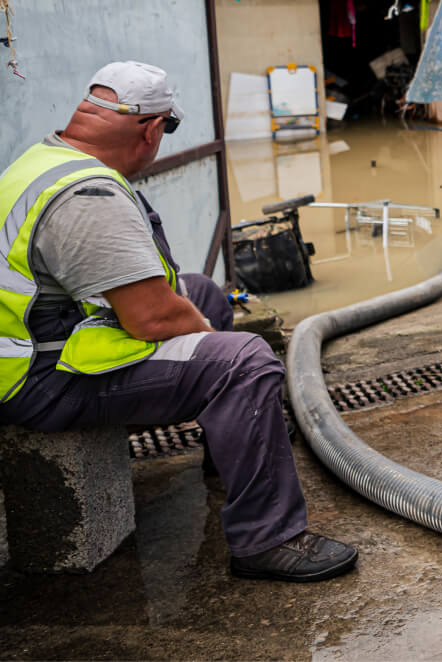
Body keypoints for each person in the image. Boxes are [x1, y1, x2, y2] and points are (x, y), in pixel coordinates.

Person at [0, 61, 357, 582]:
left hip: (45, 343)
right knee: (245, 362)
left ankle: (234, 449)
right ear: (151, 130)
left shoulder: (45, 160)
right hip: (40, 381)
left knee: (206, 293)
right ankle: (268, 539)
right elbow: (151, 318)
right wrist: (220, 353)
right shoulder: (89, 196)